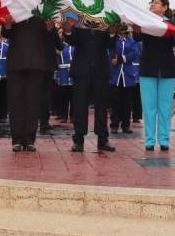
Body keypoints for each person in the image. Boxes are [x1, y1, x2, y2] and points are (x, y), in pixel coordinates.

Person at [132, 0, 175, 151]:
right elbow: (137, 38)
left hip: (167, 69)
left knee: (164, 107)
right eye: (151, 2)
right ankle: (150, 141)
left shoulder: (171, 23)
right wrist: (136, 29)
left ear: (165, 7)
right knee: (149, 107)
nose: (152, 5)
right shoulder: (144, 20)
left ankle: (164, 140)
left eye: (156, 3)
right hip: (147, 68)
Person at [2, 14, 56, 151]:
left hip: (36, 65)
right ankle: (17, 140)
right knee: (15, 103)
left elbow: (50, 39)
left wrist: (49, 29)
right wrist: (8, 25)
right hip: (15, 65)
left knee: (33, 102)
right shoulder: (14, 13)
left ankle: (30, 140)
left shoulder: (41, 15)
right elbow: (5, 33)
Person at [64, 17, 118, 153]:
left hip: (100, 71)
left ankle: (103, 140)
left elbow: (110, 44)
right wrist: (68, 30)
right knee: (80, 106)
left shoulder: (105, 19)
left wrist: (112, 33)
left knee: (101, 107)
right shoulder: (78, 19)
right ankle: (78, 141)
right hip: (81, 70)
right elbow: (71, 41)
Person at [110, 26, 140, 134]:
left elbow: (134, 53)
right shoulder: (113, 40)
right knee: (115, 102)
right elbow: (110, 51)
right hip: (115, 75)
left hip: (128, 75)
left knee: (127, 103)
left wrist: (121, 59)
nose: (123, 33)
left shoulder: (131, 41)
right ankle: (114, 125)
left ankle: (126, 125)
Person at [55, 34, 74, 122]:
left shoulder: (74, 46)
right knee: (63, 96)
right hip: (62, 73)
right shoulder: (59, 46)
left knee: (73, 96)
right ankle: (63, 115)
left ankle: (73, 116)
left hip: (72, 73)